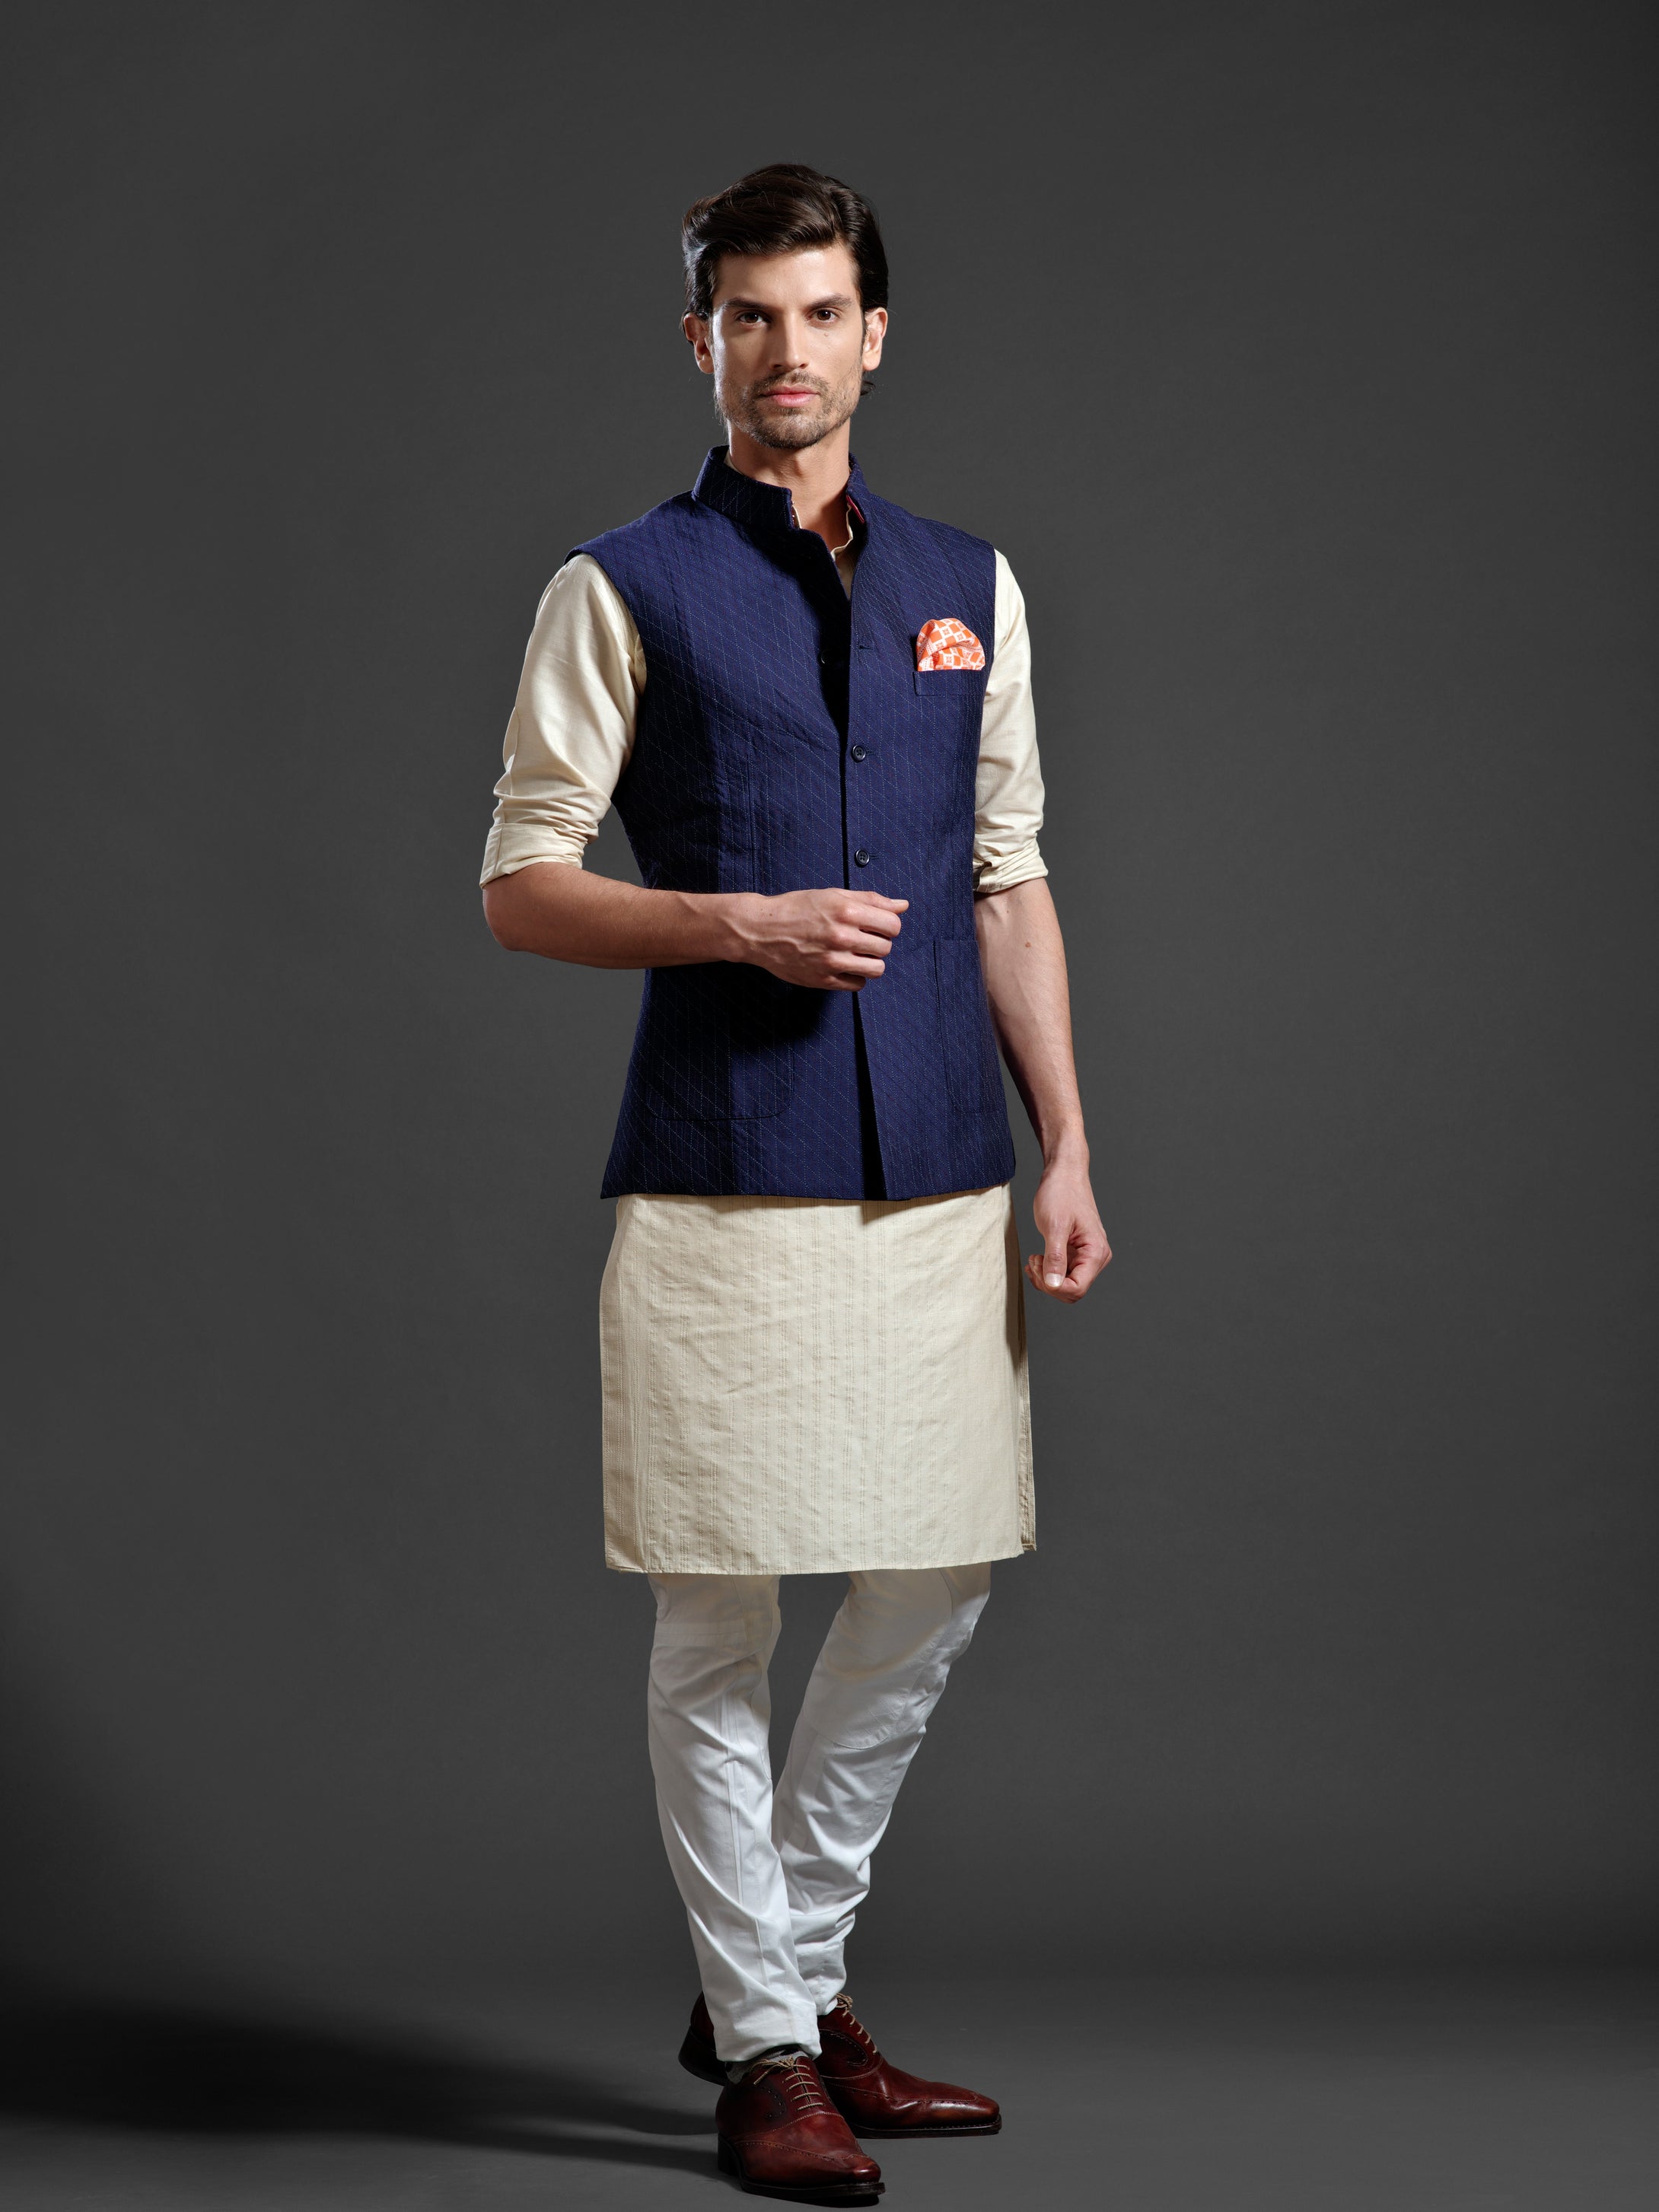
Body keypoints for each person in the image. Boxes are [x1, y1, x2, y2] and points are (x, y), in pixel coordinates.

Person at [480, 164, 1110, 2205]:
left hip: (938, 1163)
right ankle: (766, 2044)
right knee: (718, 1611)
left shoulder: (969, 583)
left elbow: (1006, 876)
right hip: (721, 1170)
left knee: (935, 1574)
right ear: (701, 340)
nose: (787, 350)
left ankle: (784, 1971)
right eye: (749, 315)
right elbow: (521, 885)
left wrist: (1068, 1140)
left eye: (821, 312)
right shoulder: (619, 585)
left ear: (874, 334)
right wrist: (734, 923)